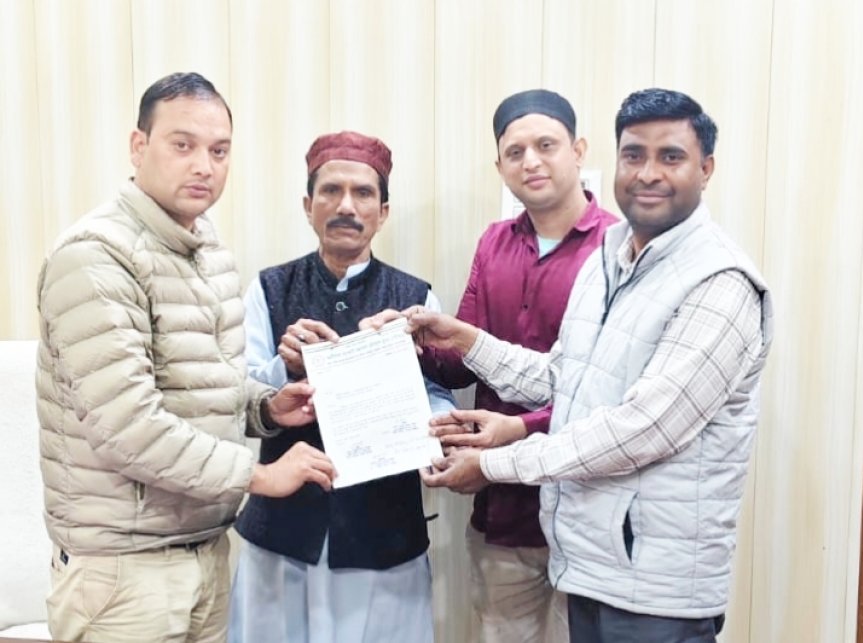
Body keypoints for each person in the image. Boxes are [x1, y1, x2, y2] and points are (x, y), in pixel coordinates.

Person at [366, 88, 774, 643]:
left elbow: (641, 430)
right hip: (589, 562)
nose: (648, 173)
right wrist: (463, 338)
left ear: (705, 169)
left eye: (671, 156)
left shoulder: (720, 283)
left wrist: (495, 462)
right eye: (634, 155)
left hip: (656, 585)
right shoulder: (611, 259)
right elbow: (563, 378)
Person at [36, 72, 336, 643]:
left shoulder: (208, 249)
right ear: (138, 146)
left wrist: (267, 408)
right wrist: (259, 476)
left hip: (203, 549)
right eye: (183, 145)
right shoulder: (95, 257)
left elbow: (203, 384)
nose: (204, 166)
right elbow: (128, 426)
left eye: (219, 151)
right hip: (123, 572)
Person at [228, 131, 455, 643]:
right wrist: (284, 370)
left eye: (363, 193)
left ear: (383, 211)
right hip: (284, 532)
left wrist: (430, 430)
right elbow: (235, 395)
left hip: (382, 532)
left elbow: (437, 394)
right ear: (308, 205)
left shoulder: (416, 297)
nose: (346, 206)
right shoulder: (267, 289)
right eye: (330, 191)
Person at [419, 89, 617, 643]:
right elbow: (460, 366)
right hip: (501, 509)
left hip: (586, 508)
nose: (531, 161)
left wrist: (519, 430)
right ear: (500, 166)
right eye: (515, 151)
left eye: (546, 145)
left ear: (578, 150)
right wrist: (404, 342)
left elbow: (609, 395)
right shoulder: (494, 243)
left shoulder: (618, 249)